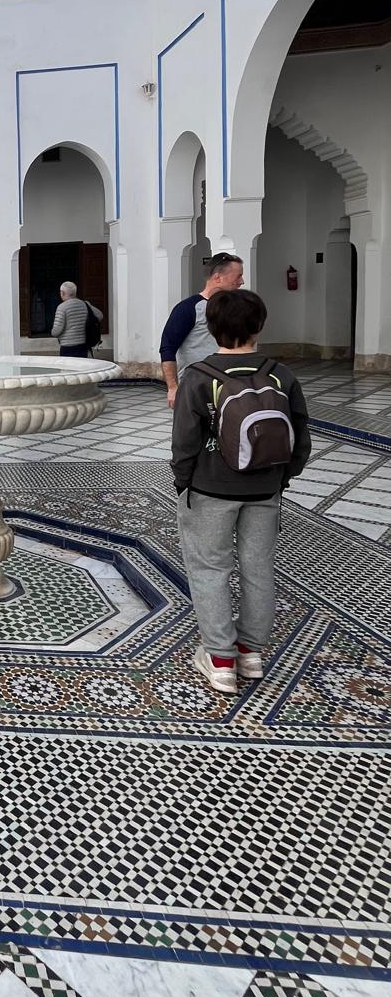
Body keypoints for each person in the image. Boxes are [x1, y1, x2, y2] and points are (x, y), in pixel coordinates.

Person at [172, 288, 310, 696]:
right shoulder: (280, 375)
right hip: (265, 489)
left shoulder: (198, 376)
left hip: (210, 489)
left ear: (212, 327)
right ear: (259, 326)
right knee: (258, 568)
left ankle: (220, 660)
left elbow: (185, 443)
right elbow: (301, 438)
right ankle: (250, 653)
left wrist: (184, 484)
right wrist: (280, 479)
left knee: (210, 569)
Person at [160, 253, 245, 409]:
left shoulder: (235, 308)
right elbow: (167, 348)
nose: (242, 282)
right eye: (238, 276)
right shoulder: (188, 308)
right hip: (196, 387)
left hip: (230, 387)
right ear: (218, 277)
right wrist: (172, 388)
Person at [50, 281, 104, 357]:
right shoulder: (85, 304)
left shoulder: (62, 308)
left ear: (62, 293)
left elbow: (56, 332)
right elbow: (100, 316)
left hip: (67, 347)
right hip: (83, 346)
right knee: (81, 364)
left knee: (68, 365)